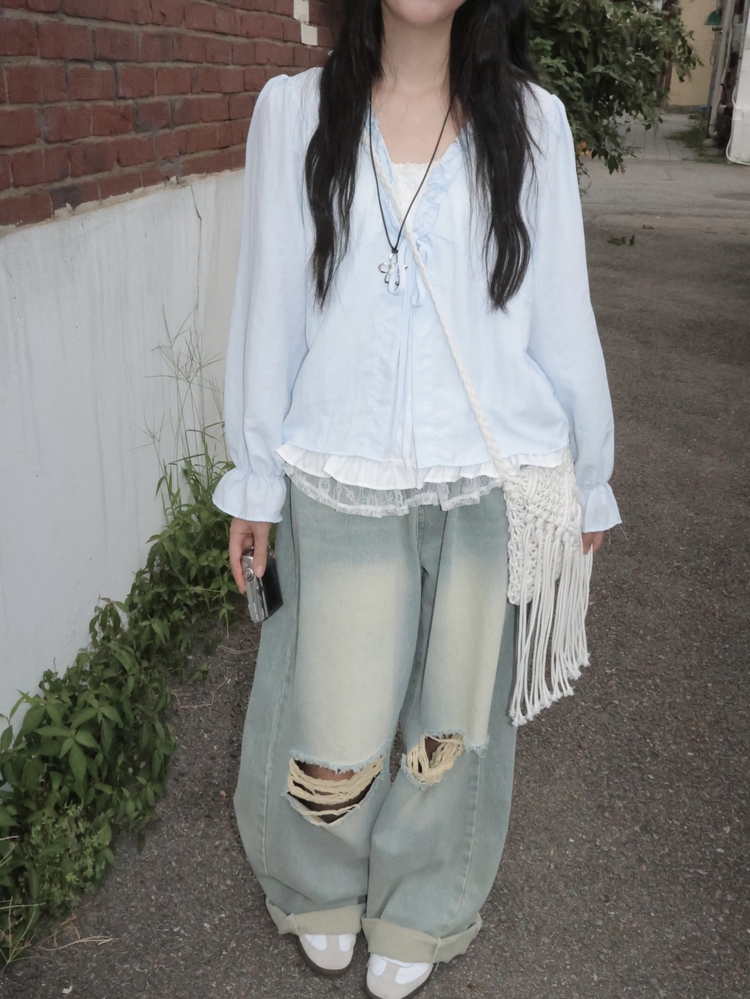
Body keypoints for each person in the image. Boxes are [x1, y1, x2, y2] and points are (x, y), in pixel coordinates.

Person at [212, 0, 621, 996]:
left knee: (451, 727)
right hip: (342, 471)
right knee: (332, 712)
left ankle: (421, 903)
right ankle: (320, 885)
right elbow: (269, 308)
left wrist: (590, 479)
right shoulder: (295, 113)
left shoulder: (532, 121)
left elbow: (559, 311)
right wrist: (255, 481)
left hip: (484, 473)